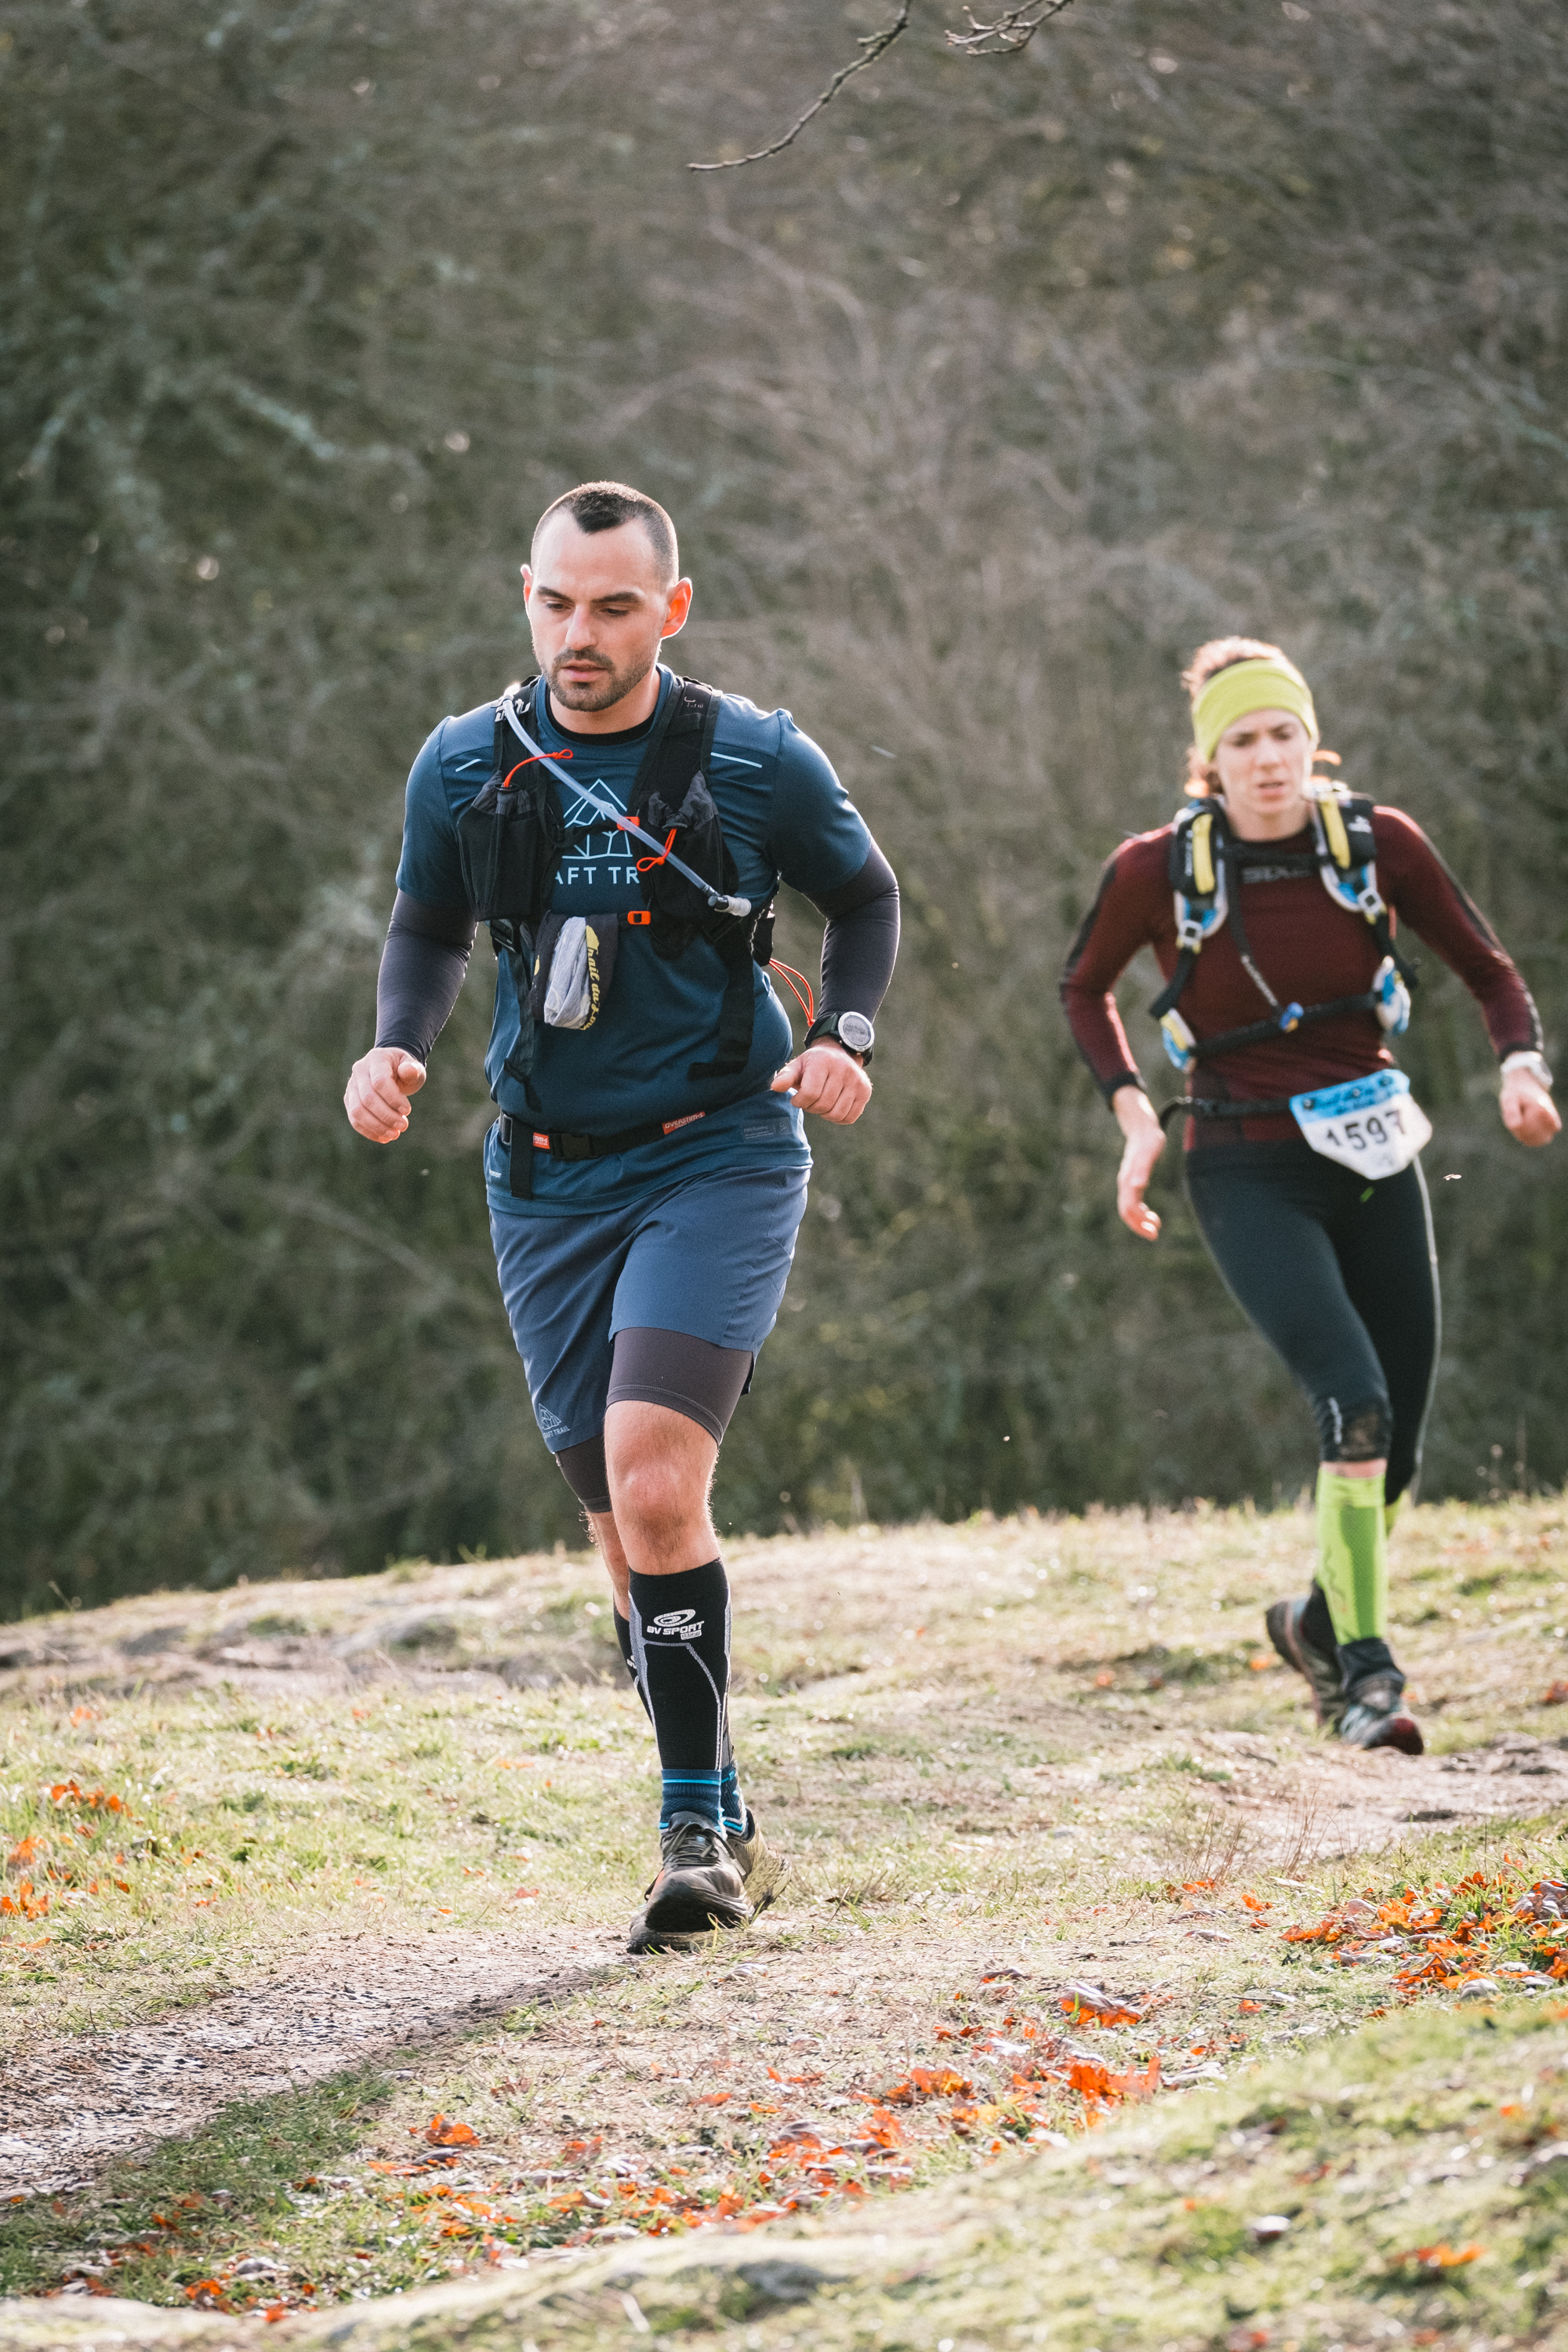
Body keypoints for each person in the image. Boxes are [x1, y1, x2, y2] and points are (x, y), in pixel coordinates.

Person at [344, 481, 898, 1944]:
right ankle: (717, 1787)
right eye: (554, 603)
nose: (577, 634)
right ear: (524, 596)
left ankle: (693, 1836)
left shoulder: (756, 757)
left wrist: (841, 1035)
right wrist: (393, 1044)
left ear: (673, 608)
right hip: (542, 1179)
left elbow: (868, 900)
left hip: (719, 1152)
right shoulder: (466, 762)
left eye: (611, 607)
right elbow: (426, 924)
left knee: (657, 1487)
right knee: (618, 1528)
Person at [1062, 637, 1558, 1754]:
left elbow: (1490, 971)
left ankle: (1316, 1623)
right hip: (1246, 1165)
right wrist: (1135, 1116)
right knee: (1355, 1401)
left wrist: (1520, 1066)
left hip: (1376, 1157)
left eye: (1283, 732)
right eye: (1242, 740)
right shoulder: (1158, 870)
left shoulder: (1378, 846)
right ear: (1211, 760)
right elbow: (1084, 987)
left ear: (1310, 739)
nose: (1268, 757)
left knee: (1400, 1448)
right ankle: (1365, 1679)